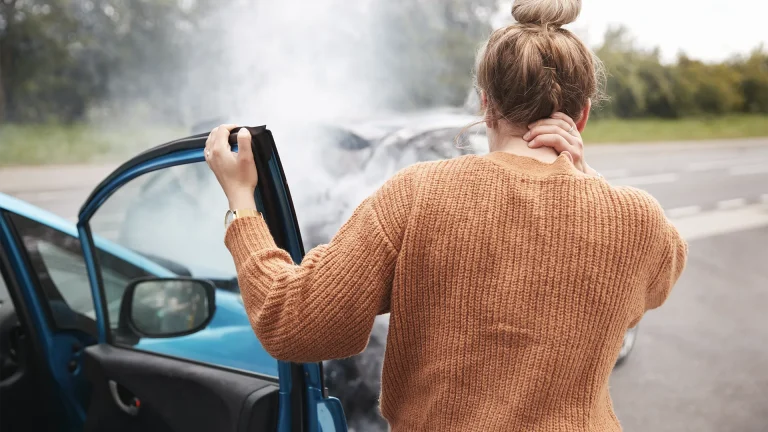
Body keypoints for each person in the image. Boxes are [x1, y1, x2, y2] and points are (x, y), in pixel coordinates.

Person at [205, 0, 688, 429]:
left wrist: (242, 205)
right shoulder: (637, 220)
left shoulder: (418, 193)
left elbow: (293, 322)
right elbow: (662, 275)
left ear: (486, 104)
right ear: (582, 115)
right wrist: (585, 176)